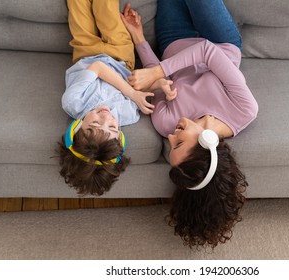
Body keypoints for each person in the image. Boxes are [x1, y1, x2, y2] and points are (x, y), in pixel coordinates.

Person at [121, 0, 259, 248]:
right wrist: (157, 74)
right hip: (219, 42)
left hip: (175, 41)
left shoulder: (165, 123)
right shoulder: (243, 111)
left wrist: (138, 36)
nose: (171, 136)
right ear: (208, 143)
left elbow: (156, 73)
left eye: (171, 145)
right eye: (180, 142)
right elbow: (207, 51)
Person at [57, 0, 157, 196]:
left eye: (94, 124)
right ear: (120, 136)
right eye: (112, 127)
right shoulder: (129, 114)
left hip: (85, 52)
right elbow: (139, 82)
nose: (105, 117)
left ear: (75, 128)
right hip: (120, 55)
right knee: (105, 6)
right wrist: (158, 84)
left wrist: (132, 94)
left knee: (78, 4)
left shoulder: (73, 102)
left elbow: (98, 68)